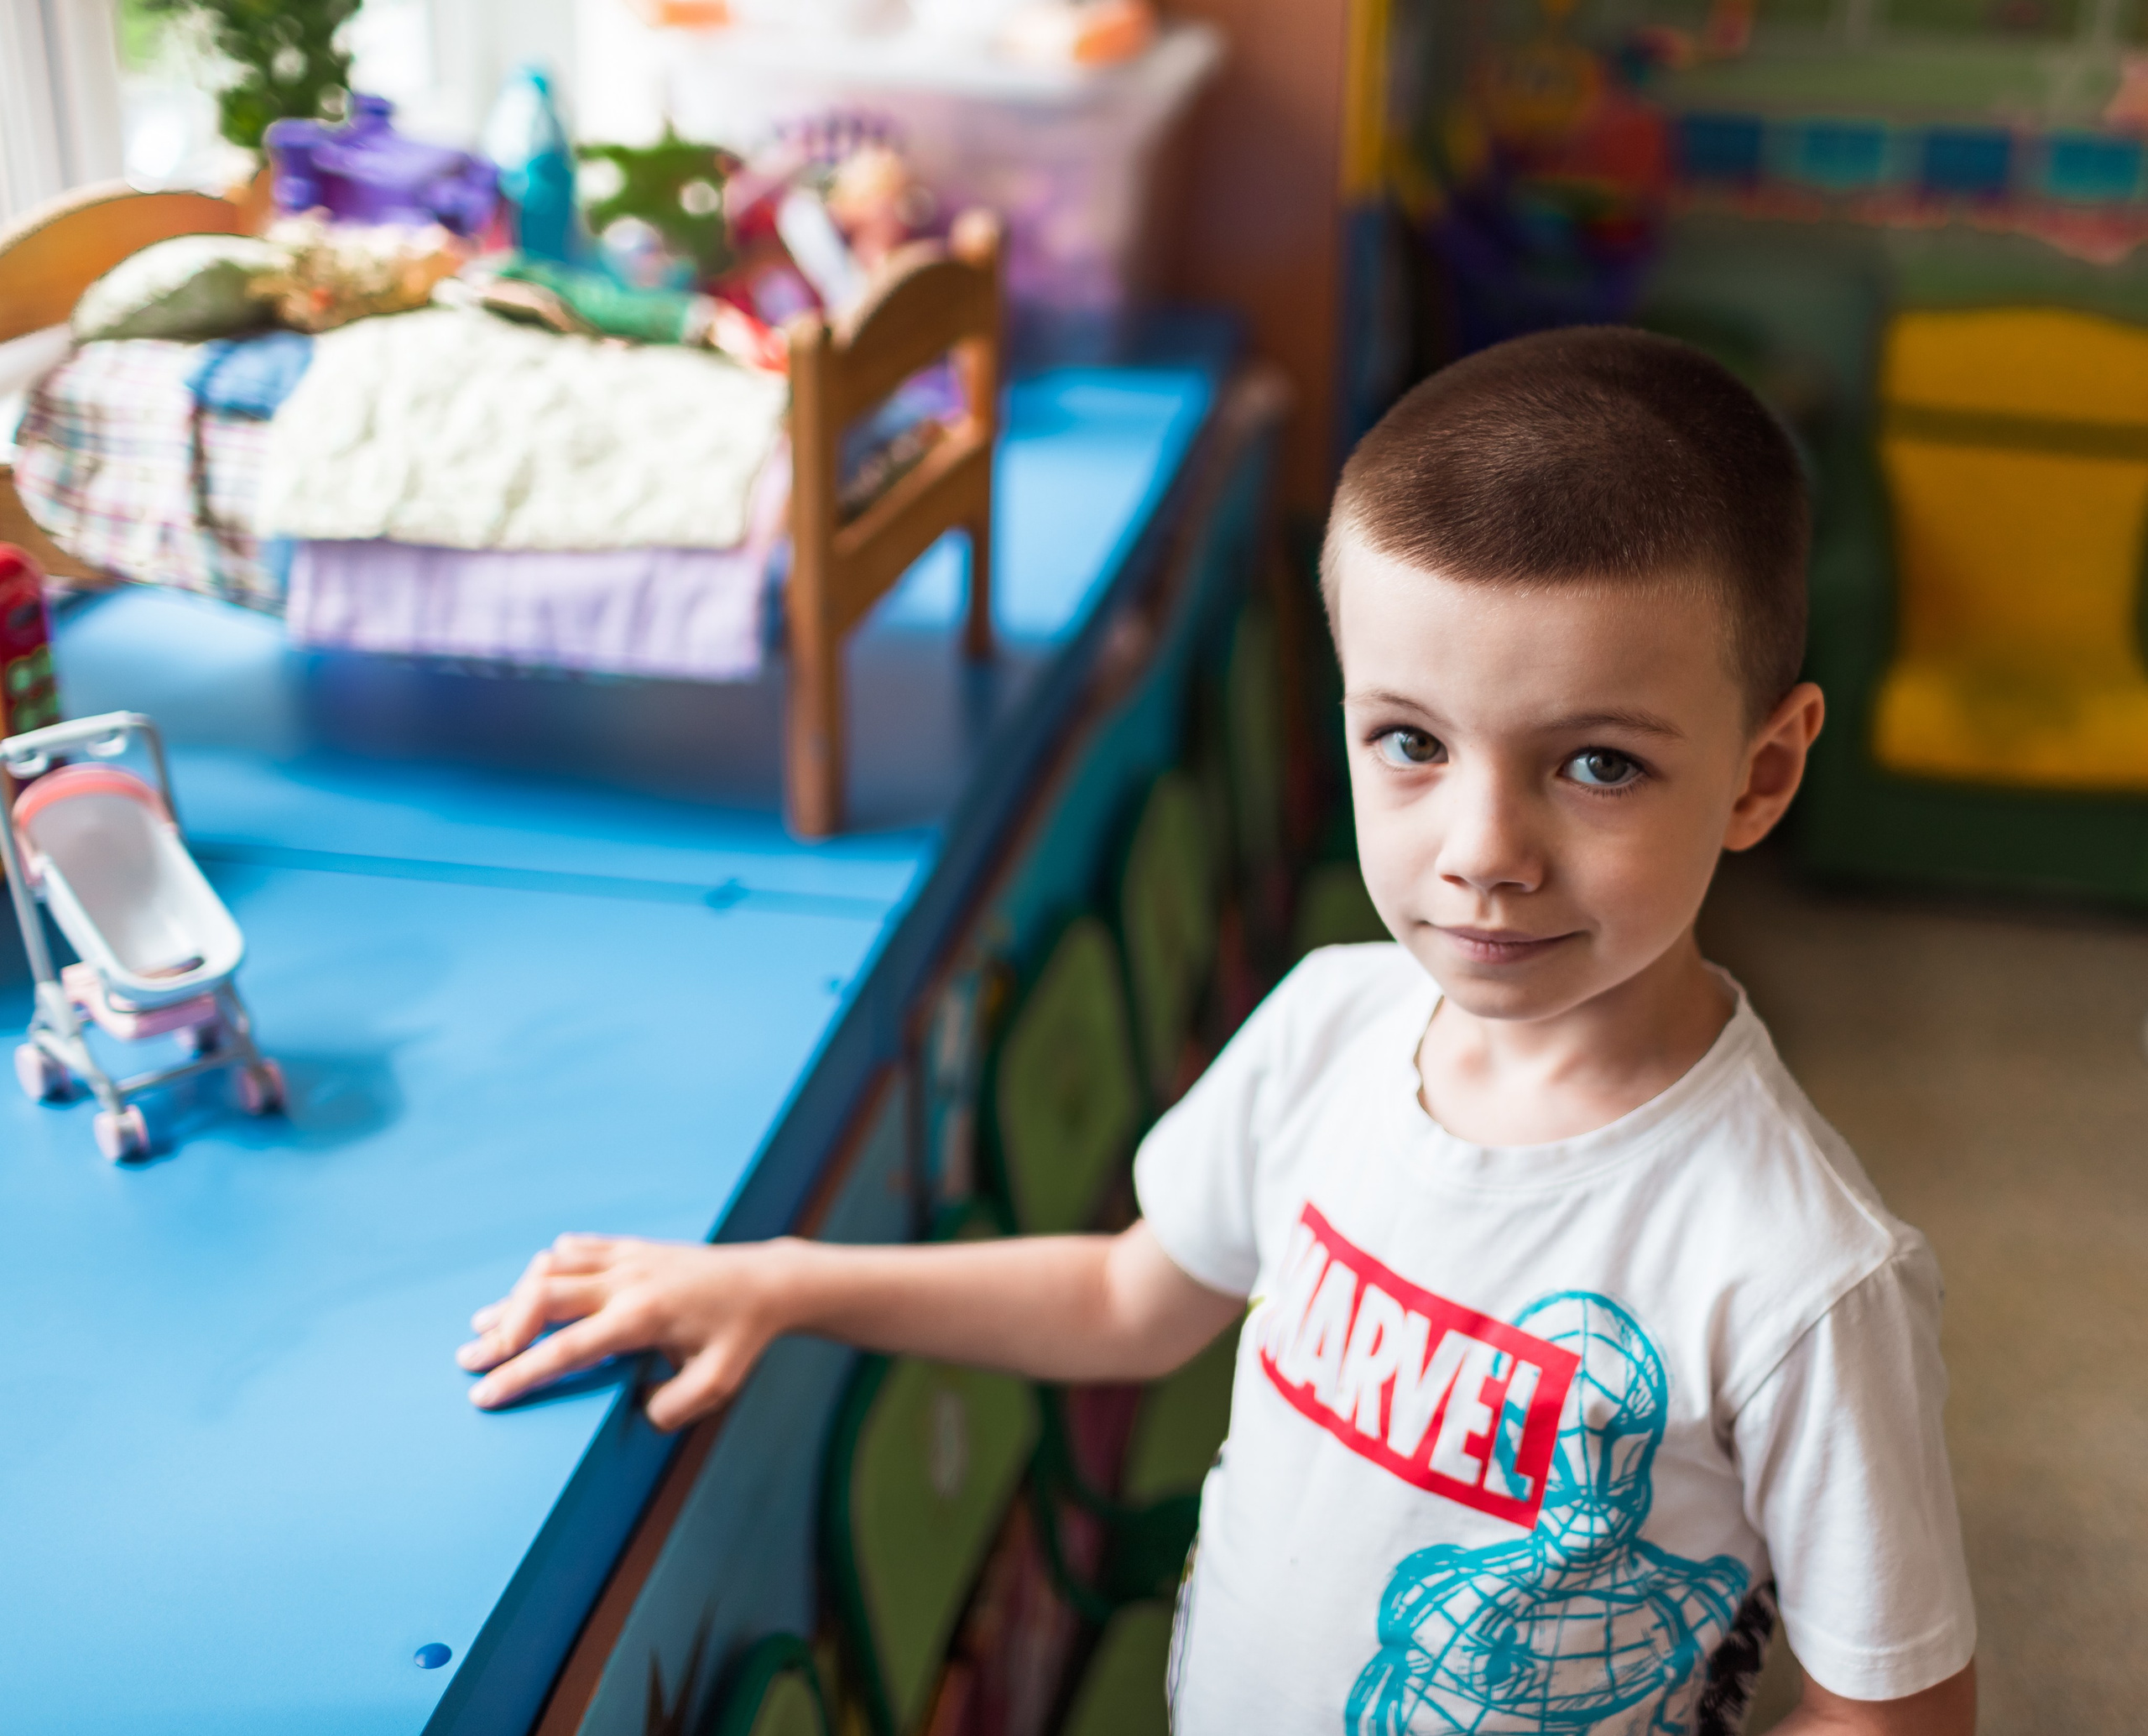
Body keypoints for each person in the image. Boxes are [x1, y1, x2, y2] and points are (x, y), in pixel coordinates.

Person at [458, 327, 1978, 1735]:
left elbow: (1898, 1712)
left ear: (1760, 775)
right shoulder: (1331, 1022)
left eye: (1594, 762)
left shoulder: (1800, 1271)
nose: (1482, 847)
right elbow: (1134, 1297)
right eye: (1411, 742)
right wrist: (779, 1282)